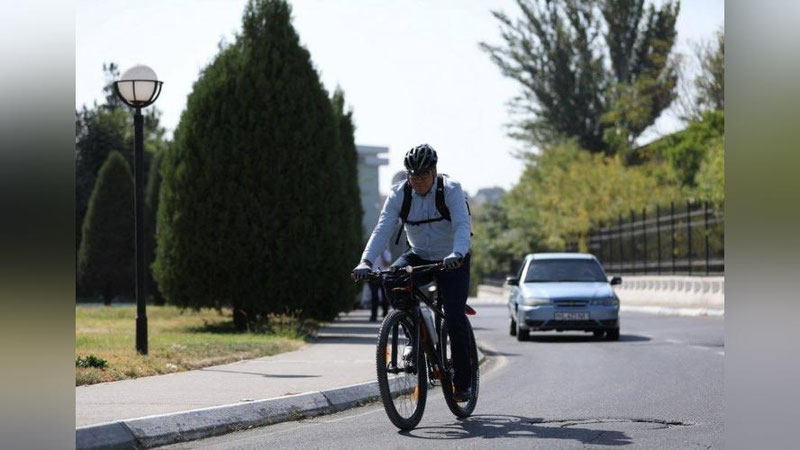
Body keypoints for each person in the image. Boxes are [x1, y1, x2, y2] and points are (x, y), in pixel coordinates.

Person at [352, 143, 473, 402]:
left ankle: (463, 383)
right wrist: (366, 261)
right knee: (392, 277)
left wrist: (458, 254)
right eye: (413, 176)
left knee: (453, 316)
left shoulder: (450, 190)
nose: (418, 181)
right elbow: (382, 229)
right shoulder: (399, 194)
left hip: (453, 257)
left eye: (423, 175)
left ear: (434, 172)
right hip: (419, 254)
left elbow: (463, 226)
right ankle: (412, 335)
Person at [368, 248, 392, 322]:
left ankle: (385, 314)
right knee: (374, 296)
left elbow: (387, 264)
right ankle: (373, 315)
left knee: (384, 296)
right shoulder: (371, 253)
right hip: (373, 276)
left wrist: (382, 254)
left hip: (383, 276)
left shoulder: (386, 253)